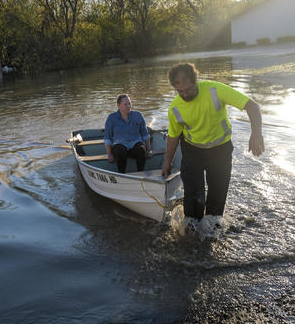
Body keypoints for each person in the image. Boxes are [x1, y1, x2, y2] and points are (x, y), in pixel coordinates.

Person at [161, 62, 264, 220]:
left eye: (188, 89)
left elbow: (252, 106)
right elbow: (173, 137)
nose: (185, 94)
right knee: (194, 197)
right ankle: (192, 230)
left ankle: (212, 229)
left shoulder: (215, 90)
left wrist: (256, 134)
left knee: (217, 194)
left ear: (196, 81)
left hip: (220, 150)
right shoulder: (175, 108)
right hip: (192, 150)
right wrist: (167, 162)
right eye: (179, 91)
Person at [104, 94, 153, 173]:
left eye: (129, 103)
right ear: (118, 105)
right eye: (125, 104)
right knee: (120, 152)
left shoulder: (138, 115)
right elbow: (107, 138)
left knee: (141, 151)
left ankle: (140, 174)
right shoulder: (111, 118)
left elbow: (145, 134)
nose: (128, 106)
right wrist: (109, 154)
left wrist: (149, 149)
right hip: (119, 144)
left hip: (135, 143)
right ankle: (122, 174)